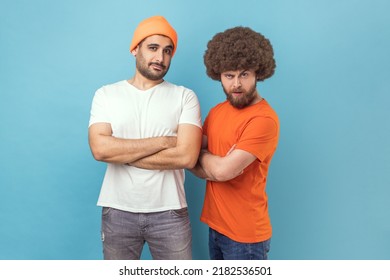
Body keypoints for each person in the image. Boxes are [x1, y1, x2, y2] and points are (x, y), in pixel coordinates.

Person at [88, 15, 202, 260]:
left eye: (167, 51)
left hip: (170, 212)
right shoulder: (106, 94)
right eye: (153, 48)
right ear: (135, 48)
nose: (160, 58)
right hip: (118, 210)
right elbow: (100, 149)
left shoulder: (185, 97)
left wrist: (123, 154)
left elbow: (187, 155)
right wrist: (166, 141)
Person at [190, 26, 279, 260]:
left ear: (258, 73)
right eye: (229, 75)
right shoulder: (217, 112)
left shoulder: (263, 120)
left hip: (246, 238)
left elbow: (221, 171)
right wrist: (214, 163)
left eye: (244, 74)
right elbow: (189, 156)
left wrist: (209, 163)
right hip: (216, 227)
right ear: (218, 75)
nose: (236, 84)